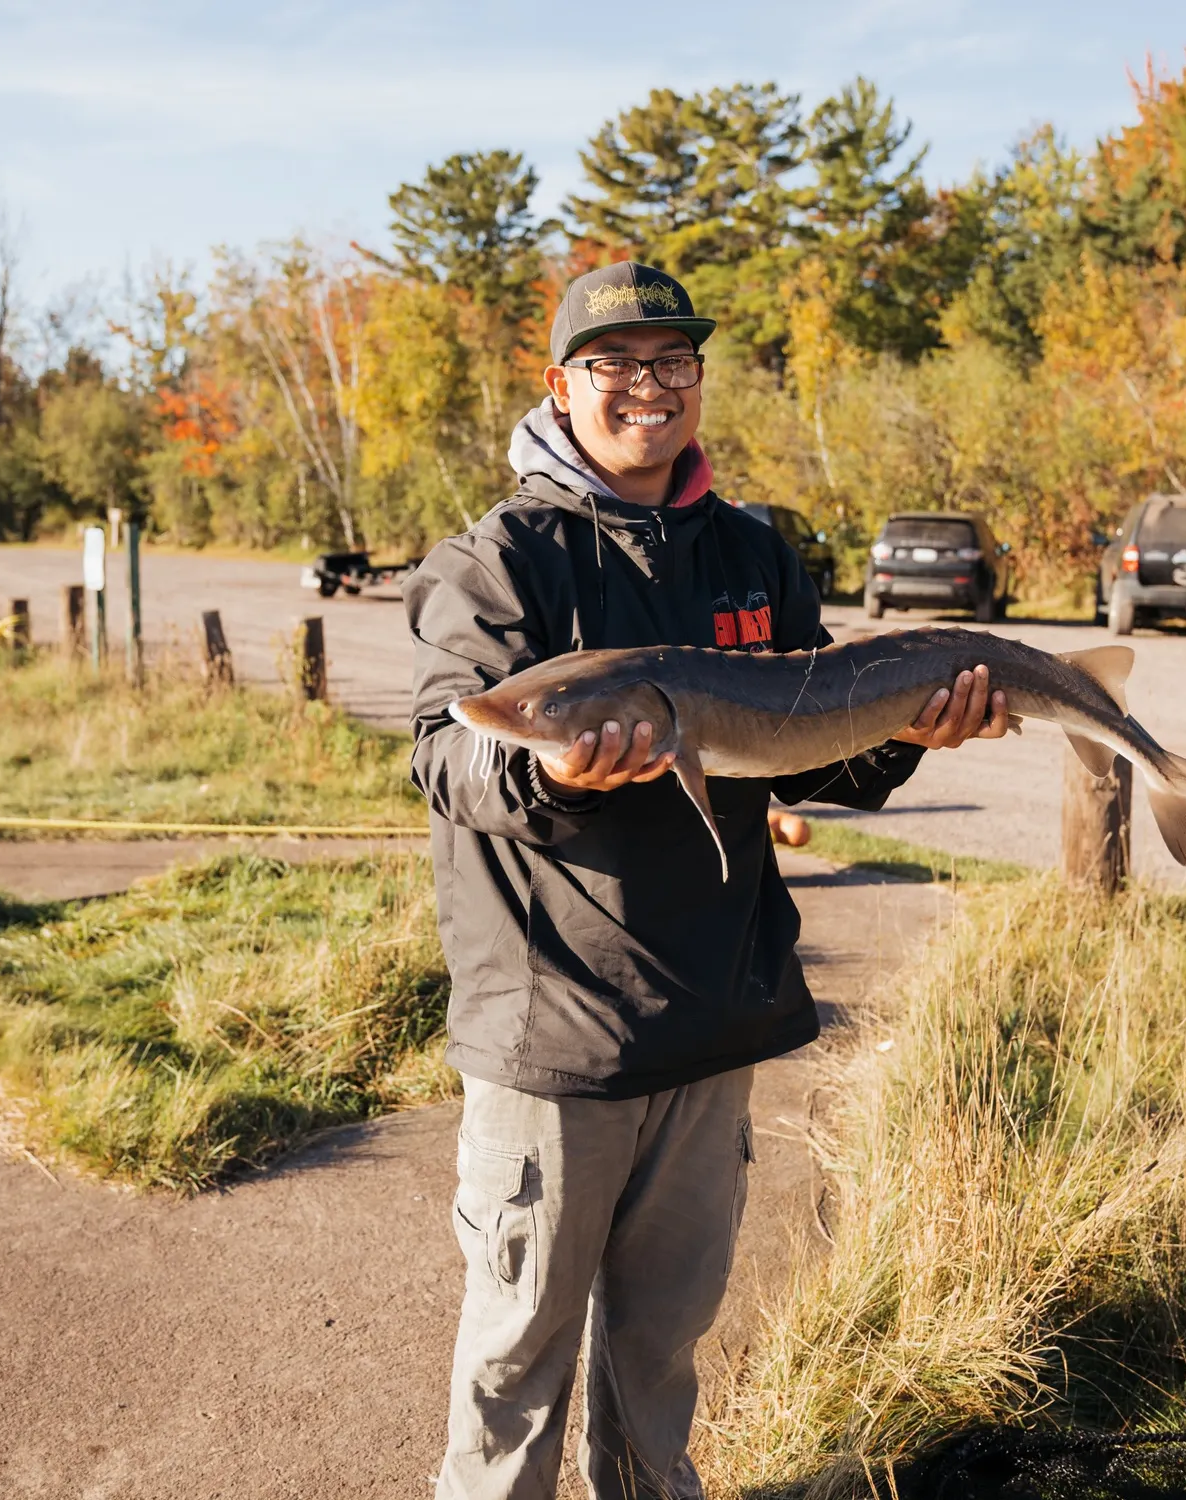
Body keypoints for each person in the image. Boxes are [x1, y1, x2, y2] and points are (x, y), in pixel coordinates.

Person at [404, 262, 1010, 1500]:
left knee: (660, 1364)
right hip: (558, 1038)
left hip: (712, 1025)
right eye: (615, 364)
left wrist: (912, 730)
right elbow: (450, 759)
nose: (648, 387)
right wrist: (567, 778)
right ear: (562, 385)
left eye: (673, 362)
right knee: (516, 1369)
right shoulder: (500, 561)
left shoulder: (750, 551)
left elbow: (811, 760)